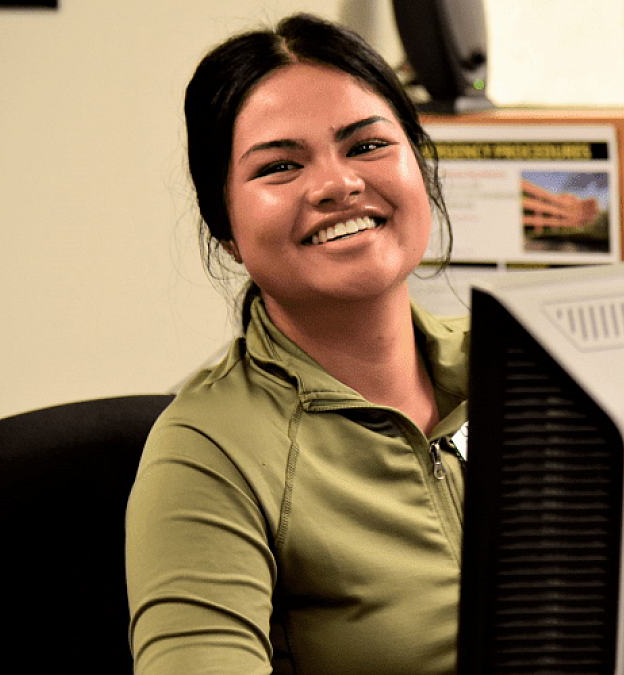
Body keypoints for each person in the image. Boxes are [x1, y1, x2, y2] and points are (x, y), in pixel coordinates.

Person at [125, 13, 468, 675]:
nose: (338, 184)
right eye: (280, 166)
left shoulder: (532, 367)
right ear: (225, 227)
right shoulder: (206, 450)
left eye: (366, 145)